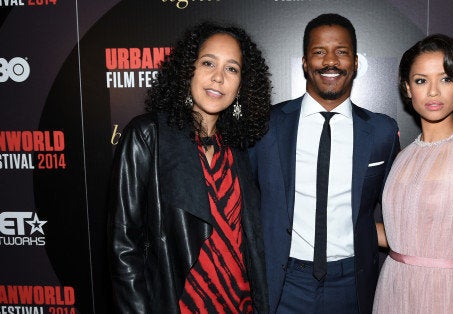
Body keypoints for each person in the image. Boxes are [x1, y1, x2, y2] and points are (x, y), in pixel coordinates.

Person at [107, 21, 272, 314]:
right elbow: (123, 246)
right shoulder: (148, 135)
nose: (218, 77)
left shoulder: (239, 149)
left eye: (232, 69)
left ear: (242, 84)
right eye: (208, 63)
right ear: (188, 70)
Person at [249, 13, 400, 313]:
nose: (330, 61)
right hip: (282, 282)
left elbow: (402, 204)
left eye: (341, 52)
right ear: (305, 62)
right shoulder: (265, 126)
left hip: (351, 285)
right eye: (319, 52)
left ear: (355, 62)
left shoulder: (382, 131)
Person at [372, 33, 453, 314]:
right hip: (393, 289)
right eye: (421, 80)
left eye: (445, 79)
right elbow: (401, 236)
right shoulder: (401, 157)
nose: (434, 92)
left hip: (444, 295)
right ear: (408, 89)